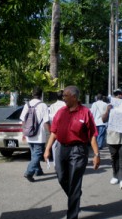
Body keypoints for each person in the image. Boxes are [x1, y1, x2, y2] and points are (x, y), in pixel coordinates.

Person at [44, 85, 100, 219]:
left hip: (78, 151)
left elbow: (92, 134)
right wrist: (47, 149)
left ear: (74, 97)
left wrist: (96, 155)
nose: (63, 98)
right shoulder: (61, 112)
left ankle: (72, 215)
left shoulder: (85, 112)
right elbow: (54, 132)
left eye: (65, 96)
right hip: (61, 148)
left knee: (75, 182)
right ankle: (75, 195)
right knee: (61, 176)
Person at [103, 89, 122, 190]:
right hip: (113, 136)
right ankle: (115, 175)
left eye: (120, 94)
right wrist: (108, 110)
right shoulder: (109, 106)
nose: (118, 96)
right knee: (114, 157)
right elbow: (103, 119)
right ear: (113, 96)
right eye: (116, 95)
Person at [20, 87, 50, 182]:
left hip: (29, 133)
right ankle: (29, 172)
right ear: (41, 95)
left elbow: (23, 120)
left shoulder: (27, 104)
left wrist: (24, 133)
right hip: (39, 134)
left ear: (32, 94)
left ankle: (38, 170)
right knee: (37, 154)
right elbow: (46, 121)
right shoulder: (43, 105)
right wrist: (50, 132)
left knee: (34, 154)